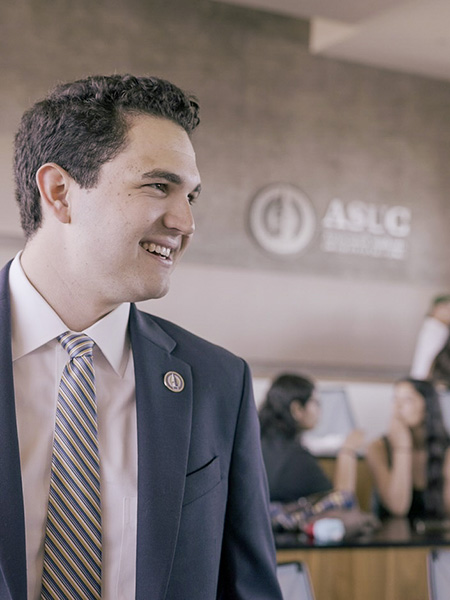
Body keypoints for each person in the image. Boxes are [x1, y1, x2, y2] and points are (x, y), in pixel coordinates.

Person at [0, 75, 282, 599]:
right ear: (60, 192)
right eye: (159, 186)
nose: (186, 222)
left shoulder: (220, 381)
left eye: (191, 195)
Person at [259, 373, 364, 503]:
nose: (319, 409)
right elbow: (340, 503)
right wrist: (348, 450)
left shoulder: (257, 441)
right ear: (297, 409)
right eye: (316, 402)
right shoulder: (295, 457)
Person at [366, 377, 450, 520]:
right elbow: (398, 508)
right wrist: (402, 446)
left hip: (433, 537)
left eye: (407, 400)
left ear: (428, 407)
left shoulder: (446, 448)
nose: (397, 407)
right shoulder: (377, 447)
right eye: (395, 399)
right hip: (388, 539)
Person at [410, 295, 450, 385]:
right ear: (436, 309)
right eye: (447, 309)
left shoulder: (440, 328)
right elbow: (428, 357)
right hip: (428, 380)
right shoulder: (434, 328)